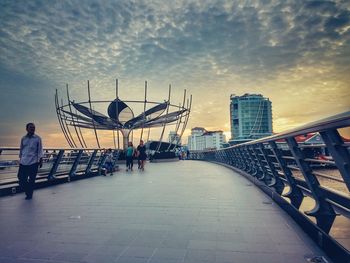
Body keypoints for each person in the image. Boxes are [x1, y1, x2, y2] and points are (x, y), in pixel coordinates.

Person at [17, 123, 43, 200]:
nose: (33, 129)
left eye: (34, 128)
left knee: (32, 179)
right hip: (23, 162)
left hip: (33, 162)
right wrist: (20, 159)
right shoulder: (23, 138)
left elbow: (40, 150)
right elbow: (21, 149)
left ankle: (29, 194)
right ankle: (28, 190)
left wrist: (41, 160)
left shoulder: (38, 138)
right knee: (21, 178)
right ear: (27, 129)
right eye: (31, 127)